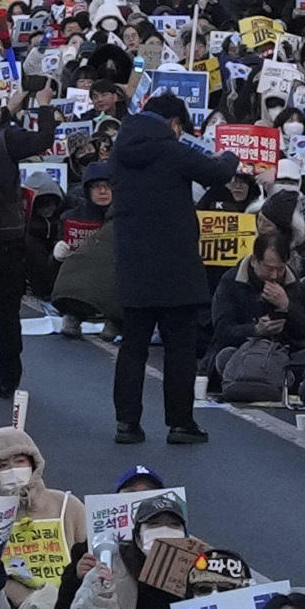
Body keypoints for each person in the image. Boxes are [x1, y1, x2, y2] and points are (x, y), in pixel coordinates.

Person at [76, 45, 246, 448]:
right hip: (175, 267)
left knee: (132, 347)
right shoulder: (172, 149)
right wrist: (231, 153)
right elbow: (218, 172)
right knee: (179, 350)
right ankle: (180, 423)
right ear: (173, 123)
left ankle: (127, 424)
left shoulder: (121, 150)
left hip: (133, 264)